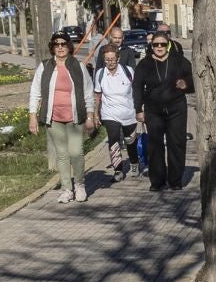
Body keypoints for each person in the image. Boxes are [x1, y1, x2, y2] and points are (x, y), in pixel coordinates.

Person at [27, 32, 97, 203]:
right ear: (52, 47)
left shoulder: (78, 66)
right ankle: (67, 189)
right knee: (62, 154)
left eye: (63, 44)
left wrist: (89, 116)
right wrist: (33, 117)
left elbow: (88, 93)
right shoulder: (45, 67)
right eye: (56, 44)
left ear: (69, 46)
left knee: (76, 152)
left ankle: (79, 184)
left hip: (75, 117)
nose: (60, 47)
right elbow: (35, 93)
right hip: (54, 117)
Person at [133, 30, 194, 191]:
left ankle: (175, 180)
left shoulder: (179, 61)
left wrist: (186, 85)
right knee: (155, 146)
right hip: (153, 110)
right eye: (155, 44)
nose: (159, 47)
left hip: (176, 109)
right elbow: (137, 87)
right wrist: (138, 109)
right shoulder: (144, 64)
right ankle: (157, 181)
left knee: (177, 143)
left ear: (167, 45)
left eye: (162, 44)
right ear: (151, 46)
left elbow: (193, 79)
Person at [92, 42, 137, 179]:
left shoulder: (128, 71)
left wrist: (141, 109)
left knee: (130, 141)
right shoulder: (100, 74)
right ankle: (118, 170)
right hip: (109, 114)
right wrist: (95, 114)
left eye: (112, 59)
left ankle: (134, 163)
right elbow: (98, 96)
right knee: (114, 140)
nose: (110, 62)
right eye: (107, 60)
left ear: (118, 58)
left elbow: (137, 91)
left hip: (129, 113)